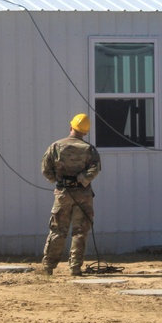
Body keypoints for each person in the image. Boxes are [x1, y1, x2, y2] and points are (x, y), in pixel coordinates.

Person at [39, 113, 102, 276]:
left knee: (58, 230)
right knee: (80, 231)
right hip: (83, 194)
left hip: (63, 194)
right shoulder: (89, 149)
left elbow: (46, 169)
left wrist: (58, 180)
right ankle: (75, 268)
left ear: (71, 127)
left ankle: (48, 267)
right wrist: (80, 180)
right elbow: (95, 169)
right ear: (85, 132)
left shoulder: (56, 146)